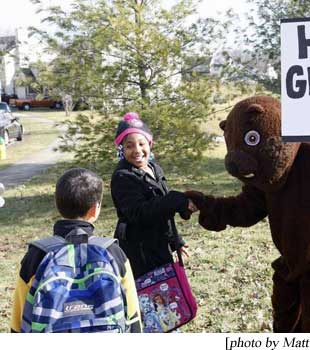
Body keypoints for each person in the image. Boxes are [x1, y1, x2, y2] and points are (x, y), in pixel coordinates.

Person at [10, 168, 142, 332]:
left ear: (57, 204)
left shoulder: (37, 255)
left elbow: (18, 322)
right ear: (95, 209)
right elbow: (133, 316)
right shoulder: (114, 253)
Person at [111, 112, 196, 278]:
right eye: (129, 146)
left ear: (149, 144)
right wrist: (173, 200)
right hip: (139, 251)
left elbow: (164, 212)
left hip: (160, 244)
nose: (137, 150)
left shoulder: (155, 169)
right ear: (122, 149)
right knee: (150, 298)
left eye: (141, 143)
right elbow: (139, 212)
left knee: (168, 294)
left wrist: (175, 241)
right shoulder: (122, 176)